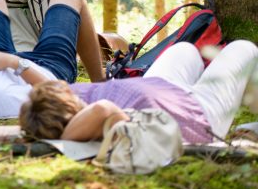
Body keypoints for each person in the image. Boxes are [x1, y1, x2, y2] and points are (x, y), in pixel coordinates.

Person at [20, 41, 258, 145]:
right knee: (243, 49)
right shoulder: (89, 119)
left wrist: (15, 63)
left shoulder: (61, 100)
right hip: (195, 115)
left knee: (183, 49)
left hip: (161, 86)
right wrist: (55, 141)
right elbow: (102, 110)